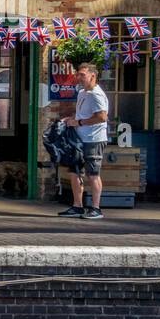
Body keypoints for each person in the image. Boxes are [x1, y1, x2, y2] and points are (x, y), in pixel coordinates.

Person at [61, 62, 109, 220]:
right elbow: (83, 114)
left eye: (82, 75)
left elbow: (102, 117)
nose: (79, 77)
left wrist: (79, 123)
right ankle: (77, 206)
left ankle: (96, 209)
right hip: (79, 139)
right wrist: (72, 119)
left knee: (93, 174)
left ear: (93, 76)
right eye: (78, 74)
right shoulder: (82, 93)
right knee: (74, 172)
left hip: (93, 139)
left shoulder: (96, 94)